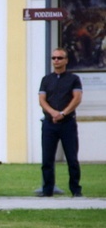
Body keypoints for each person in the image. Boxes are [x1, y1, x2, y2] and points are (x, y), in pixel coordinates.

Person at [38, 47, 83, 197]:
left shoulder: (73, 79)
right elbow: (42, 100)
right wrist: (53, 113)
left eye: (59, 58)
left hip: (67, 123)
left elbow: (76, 98)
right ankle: (47, 190)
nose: (56, 60)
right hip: (50, 123)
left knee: (72, 158)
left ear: (66, 60)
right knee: (47, 159)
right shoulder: (46, 80)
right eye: (54, 58)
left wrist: (63, 113)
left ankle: (75, 189)